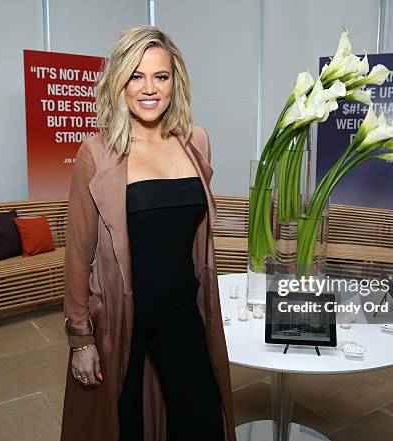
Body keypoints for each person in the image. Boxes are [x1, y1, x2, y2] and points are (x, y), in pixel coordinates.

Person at [59, 25, 237, 441]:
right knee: (125, 428)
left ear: (176, 81)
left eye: (160, 75)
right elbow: (78, 253)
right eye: (136, 76)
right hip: (122, 321)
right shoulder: (97, 152)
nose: (149, 88)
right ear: (119, 83)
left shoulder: (197, 142)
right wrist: (80, 339)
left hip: (182, 312)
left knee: (203, 421)